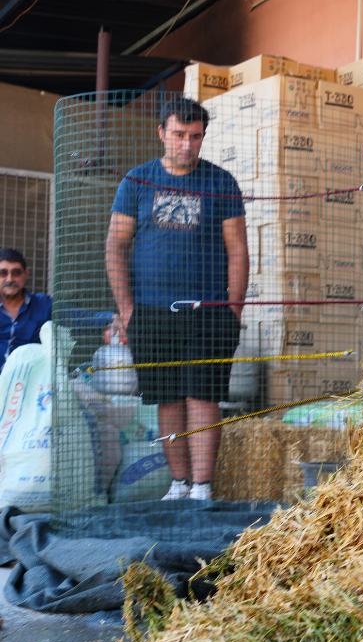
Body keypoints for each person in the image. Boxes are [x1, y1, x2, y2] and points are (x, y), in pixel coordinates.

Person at [106, 96, 249, 502]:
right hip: (151, 313)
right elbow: (115, 245)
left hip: (209, 311)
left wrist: (233, 310)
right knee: (166, 399)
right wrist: (128, 311)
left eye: (196, 136)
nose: (188, 144)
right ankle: (179, 483)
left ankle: (202, 487)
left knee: (202, 396)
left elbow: (238, 250)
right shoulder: (136, 181)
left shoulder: (221, 182)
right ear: (161, 133)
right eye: (180, 135)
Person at [0, 248, 117, 374]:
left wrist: (111, 318)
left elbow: (80, 319)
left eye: (16, 272)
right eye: (3, 273)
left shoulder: (43, 304)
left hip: (30, 383)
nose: (10, 279)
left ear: (25, 274)